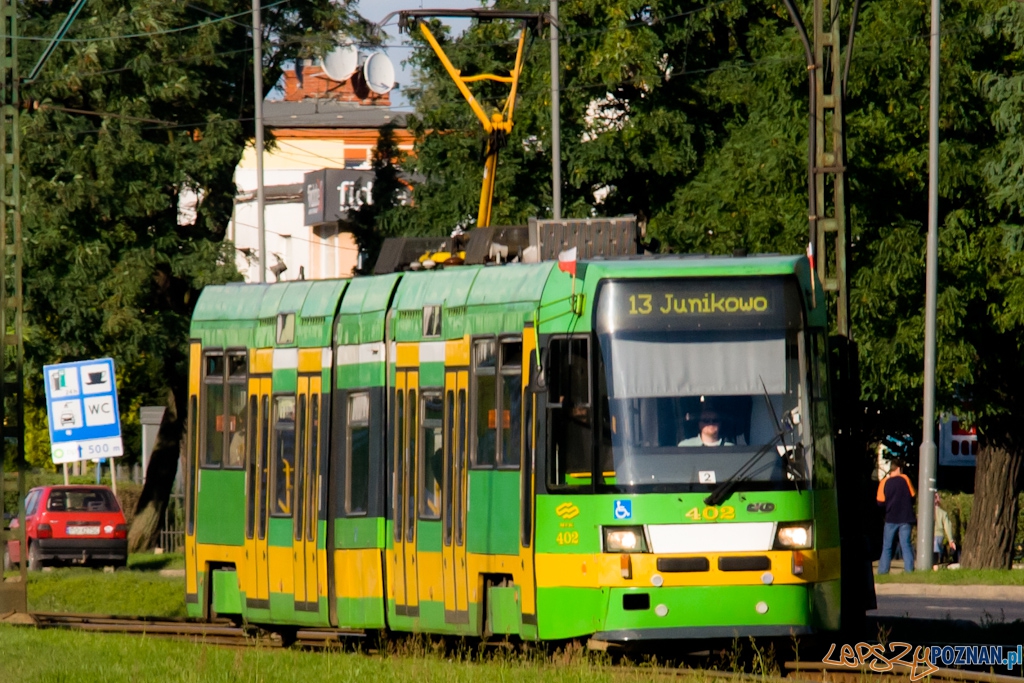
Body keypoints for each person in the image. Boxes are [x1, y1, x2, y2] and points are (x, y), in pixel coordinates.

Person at [876, 457, 916, 574]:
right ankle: (909, 570)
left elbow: (880, 502)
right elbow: (913, 496)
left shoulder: (884, 482)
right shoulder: (905, 479)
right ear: (898, 469)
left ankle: (883, 571)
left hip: (891, 518)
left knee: (887, 546)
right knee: (906, 545)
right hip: (905, 518)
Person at [933, 492, 957, 565]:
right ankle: (935, 567)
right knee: (935, 554)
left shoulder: (925, 512)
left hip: (929, 535)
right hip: (939, 535)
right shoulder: (943, 513)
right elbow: (947, 526)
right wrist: (950, 540)